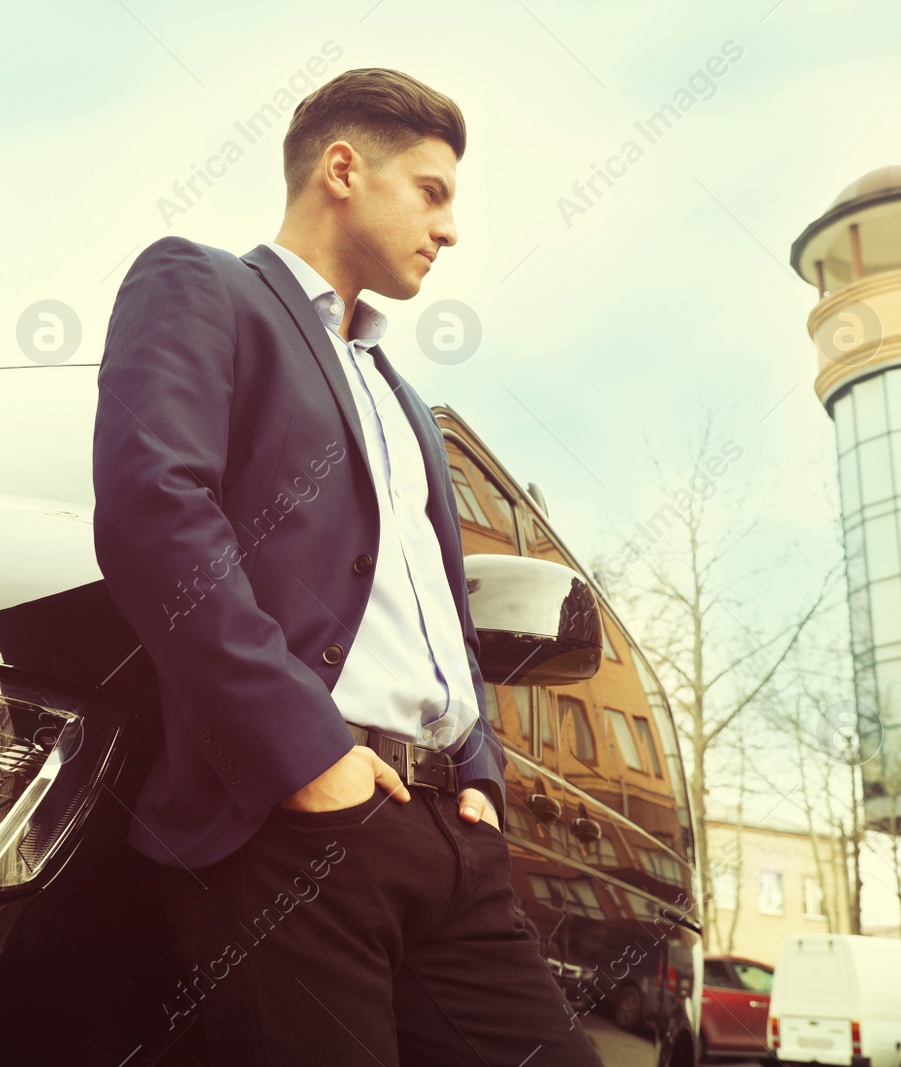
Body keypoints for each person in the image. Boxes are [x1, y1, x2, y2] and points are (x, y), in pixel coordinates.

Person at [92, 66, 605, 1066]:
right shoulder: (203, 286)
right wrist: (304, 754)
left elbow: (439, 613)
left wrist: (480, 775)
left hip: (448, 835)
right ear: (341, 169)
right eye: (431, 190)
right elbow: (156, 513)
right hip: (295, 829)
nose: (450, 227)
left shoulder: (402, 395)